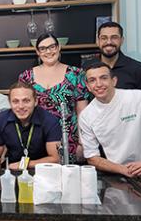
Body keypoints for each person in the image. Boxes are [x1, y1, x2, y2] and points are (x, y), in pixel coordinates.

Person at [78, 62, 141, 178]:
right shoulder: (87, 116)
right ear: (88, 86)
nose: (99, 84)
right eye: (92, 80)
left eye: (104, 78)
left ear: (114, 81)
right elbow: (92, 157)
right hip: (121, 176)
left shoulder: (140, 98)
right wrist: (123, 170)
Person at [19, 33, 90, 162]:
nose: (48, 51)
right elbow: (22, 111)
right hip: (36, 140)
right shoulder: (26, 77)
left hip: (69, 142)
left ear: (58, 48)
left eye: (52, 46)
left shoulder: (75, 74)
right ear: (37, 52)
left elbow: (82, 112)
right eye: (43, 48)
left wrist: (82, 143)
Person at [0, 81, 62, 171]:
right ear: (9, 103)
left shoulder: (50, 121)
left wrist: (24, 164)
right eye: (15, 101)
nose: (21, 106)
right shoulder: (0, 120)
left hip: (43, 172)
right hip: (13, 172)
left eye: (26, 101)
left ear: (35, 101)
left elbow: (55, 159)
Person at [97, 21, 141, 92]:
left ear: (122, 40)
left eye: (114, 37)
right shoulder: (86, 68)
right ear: (98, 41)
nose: (109, 42)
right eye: (104, 38)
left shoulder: (138, 69)